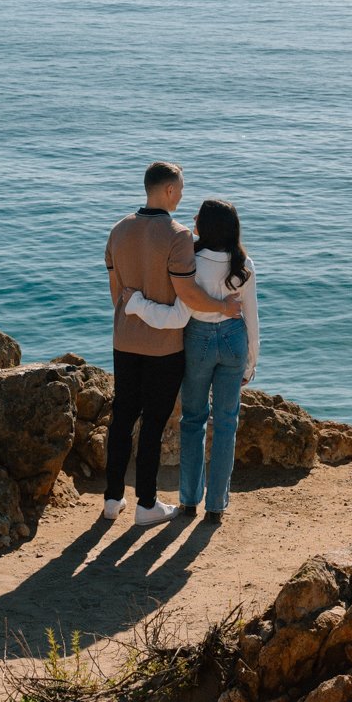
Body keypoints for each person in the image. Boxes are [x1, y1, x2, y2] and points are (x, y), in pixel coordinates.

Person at [104, 162, 242, 527]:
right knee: (153, 423)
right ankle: (146, 504)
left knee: (121, 418)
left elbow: (117, 294)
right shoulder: (178, 235)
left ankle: (111, 498)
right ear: (167, 190)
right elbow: (189, 294)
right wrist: (224, 307)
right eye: (180, 189)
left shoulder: (118, 230)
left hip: (124, 339)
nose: (182, 196)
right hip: (164, 346)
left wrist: (135, 308)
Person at [123, 197, 259, 525]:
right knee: (227, 424)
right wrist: (251, 362)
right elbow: (252, 317)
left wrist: (137, 304)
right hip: (233, 341)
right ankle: (216, 506)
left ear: (205, 226)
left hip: (197, 340)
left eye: (198, 215)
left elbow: (177, 313)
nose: (192, 218)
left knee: (193, 420)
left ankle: (188, 501)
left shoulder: (192, 261)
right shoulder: (244, 264)